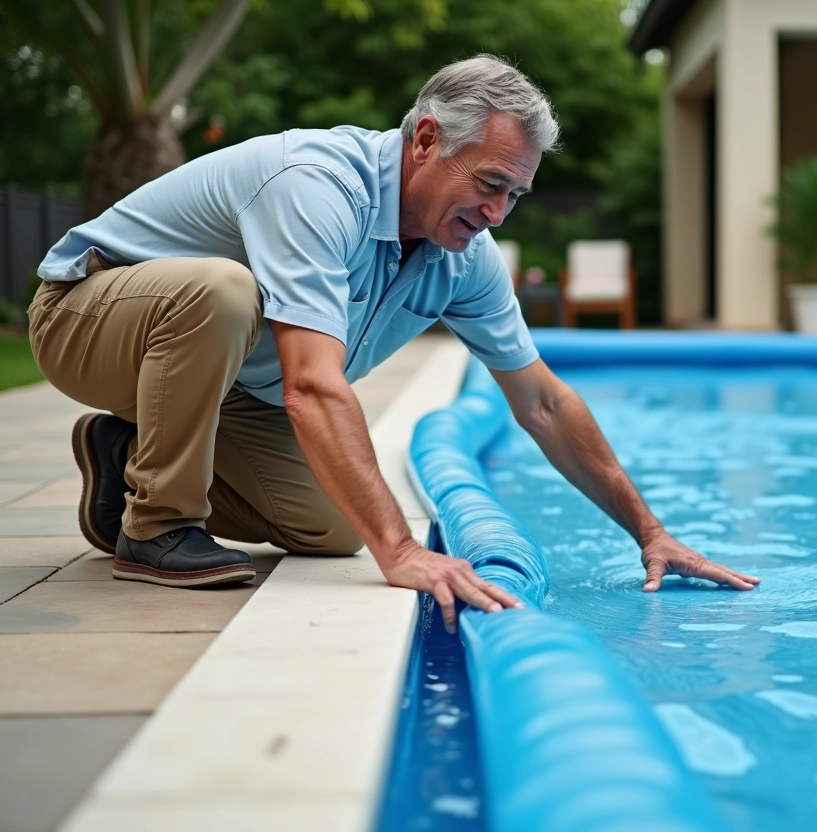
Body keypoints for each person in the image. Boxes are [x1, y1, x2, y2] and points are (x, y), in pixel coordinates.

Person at [30, 55, 759, 631]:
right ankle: (157, 529)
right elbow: (311, 385)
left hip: (223, 384)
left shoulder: (462, 256)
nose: (497, 214)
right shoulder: (317, 186)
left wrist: (650, 532)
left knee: (339, 523)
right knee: (225, 293)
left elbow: (541, 400)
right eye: (490, 184)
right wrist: (403, 551)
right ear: (425, 139)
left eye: (515, 195)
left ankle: (126, 460)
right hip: (89, 317)